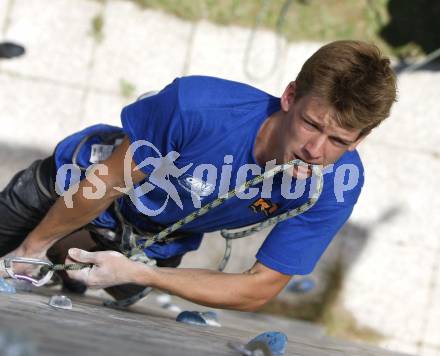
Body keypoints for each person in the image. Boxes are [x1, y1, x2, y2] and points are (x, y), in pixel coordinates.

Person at [0, 40, 396, 311]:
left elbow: (259, 287)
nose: (315, 151)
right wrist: (29, 252)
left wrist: (138, 272)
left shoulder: (335, 186)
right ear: (290, 97)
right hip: (77, 186)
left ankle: (76, 261)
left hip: (153, 241)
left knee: (123, 288)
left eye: (339, 140)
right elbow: (106, 182)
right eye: (311, 124)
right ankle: (48, 244)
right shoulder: (198, 107)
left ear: (361, 138)